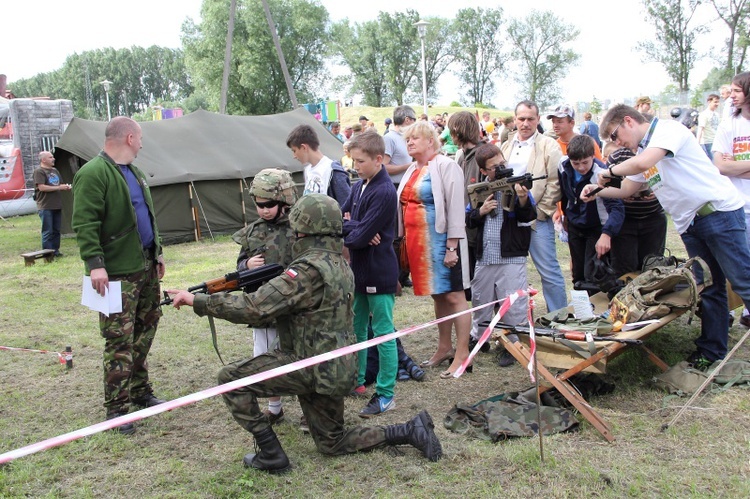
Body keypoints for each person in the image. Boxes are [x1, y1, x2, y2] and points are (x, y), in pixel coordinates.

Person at [167, 194, 442, 473]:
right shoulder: (337, 263)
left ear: (304, 227)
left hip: (306, 364)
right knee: (332, 442)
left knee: (230, 379)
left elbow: (254, 308)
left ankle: (271, 453)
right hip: (334, 368)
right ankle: (408, 430)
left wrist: (198, 301)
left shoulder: (307, 270)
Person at [582, 104, 750, 369]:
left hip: (717, 215)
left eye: (614, 136)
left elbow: (643, 163)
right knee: (711, 288)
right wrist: (597, 190)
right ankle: (712, 350)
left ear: (628, 121)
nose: (617, 143)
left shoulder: (667, 130)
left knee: (743, 280)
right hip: (691, 225)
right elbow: (627, 189)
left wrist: (609, 172)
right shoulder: (642, 152)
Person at [71, 117, 166, 435]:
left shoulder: (136, 174)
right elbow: (85, 223)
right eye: (139, 139)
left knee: (145, 330)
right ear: (128, 137)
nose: (141, 144)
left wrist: (158, 252)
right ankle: (117, 409)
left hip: (145, 268)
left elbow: (147, 216)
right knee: (119, 341)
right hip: (115, 274)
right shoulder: (93, 173)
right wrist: (95, 264)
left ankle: (140, 391)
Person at [396, 121, 471, 378]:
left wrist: (452, 246)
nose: (410, 142)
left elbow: (456, 208)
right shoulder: (412, 169)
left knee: (454, 296)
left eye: (415, 138)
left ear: (431, 141)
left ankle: (463, 353)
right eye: (407, 139)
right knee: (438, 295)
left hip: (443, 242)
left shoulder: (446, 166)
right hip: (419, 243)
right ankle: (444, 347)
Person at [231, 168, 298, 425]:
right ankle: (275, 406)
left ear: (284, 201)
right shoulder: (253, 232)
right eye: (259, 205)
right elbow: (239, 268)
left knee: (303, 357)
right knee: (265, 357)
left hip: (295, 305)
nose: (264, 210)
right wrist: (246, 265)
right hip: (264, 308)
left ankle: (308, 408)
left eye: (269, 204)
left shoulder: (299, 227)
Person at [341, 133, 399, 416]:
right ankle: (358, 380)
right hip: (359, 273)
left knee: (383, 333)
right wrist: (354, 227)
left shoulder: (385, 192)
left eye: (360, 161)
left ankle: (386, 394)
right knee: (358, 327)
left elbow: (359, 236)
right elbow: (338, 221)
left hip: (380, 272)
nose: (356, 166)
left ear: (378, 159)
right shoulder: (358, 185)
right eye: (353, 160)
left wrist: (356, 229)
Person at [466, 143, 536, 366]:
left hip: (512, 255)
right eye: (494, 167)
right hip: (485, 255)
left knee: (513, 302)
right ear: (484, 171)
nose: (501, 168)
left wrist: (522, 198)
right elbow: (469, 219)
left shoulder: (517, 185)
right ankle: (480, 337)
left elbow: (528, 217)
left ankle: (513, 343)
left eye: (502, 163)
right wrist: (481, 211)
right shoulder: (481, 190)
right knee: (481, 299)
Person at [500, 100, 567, 312]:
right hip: (510, 219)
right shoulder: (506, 146)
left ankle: (558, 318)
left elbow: (555, 183)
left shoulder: (549, 145)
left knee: (548, 271)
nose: (525, 123)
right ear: (515, 119)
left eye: (530, 119)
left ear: (537, 119)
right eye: (521, 119)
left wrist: (539, 212)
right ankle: (514, 320)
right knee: (510, 272)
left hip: (537, 219)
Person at [559, 135, 624, 290]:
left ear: (593, 157)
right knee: (577, 275)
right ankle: (581, 310)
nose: (581, 167)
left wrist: (607, 234)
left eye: (585, 162)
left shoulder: (601, 174)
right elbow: (565, 195)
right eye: (576, 163)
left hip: (596, 228)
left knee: (594, 274)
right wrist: (565, 217)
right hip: (575, 226)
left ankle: (596, 310)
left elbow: (617, 208)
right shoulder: (563, 166)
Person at [712, 72, 750, 327]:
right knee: (743, 262)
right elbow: (720, 166)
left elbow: (730, 165)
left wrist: (736, 165)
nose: (731, 95)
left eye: (737, 91)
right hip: (739, 206)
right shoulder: (729, 125)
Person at [606, 147, 668, 277]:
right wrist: (622, 193)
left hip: (653, 218)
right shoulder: (617, 157)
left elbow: (667, 178)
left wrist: (656, 192)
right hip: (625, 221)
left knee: (653, 267)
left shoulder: (655, 153)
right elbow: (607, 182)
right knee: (624, 270)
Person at [286, 124, 351, 207]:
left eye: (294, 150)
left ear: (304, 147)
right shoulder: (308, 170)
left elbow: (347, 207)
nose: (294, 156)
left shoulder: (333, 171)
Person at [33, 151, 71, 256]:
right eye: (50, 157)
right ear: (43, 159)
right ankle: (47, 253)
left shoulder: (55, 170)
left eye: (53, 157)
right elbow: (42, 187)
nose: (53, 159)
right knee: (47, 231)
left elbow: (60, 184)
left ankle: (56, 251)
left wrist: (65, 187)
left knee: (56, 230)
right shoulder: (39, 171)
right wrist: (59, 187)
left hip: (57, 205)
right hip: (45, 206)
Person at [383, 105, 417, 183]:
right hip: (394, 187)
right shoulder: (389, 138)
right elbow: (383, 167)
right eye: (414, 120)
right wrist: (409, 166)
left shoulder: (405, 138)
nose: (415, 123)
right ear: (407, 119)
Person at [696, 94, 721, 158]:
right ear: (709, 102)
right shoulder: (704, 114)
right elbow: (700, 129)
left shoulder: (717, 114)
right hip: (708, 142)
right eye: (715, 102)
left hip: (716, 141)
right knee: (713, 162)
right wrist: (697, 143)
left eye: (718, 102)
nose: (717, 104)